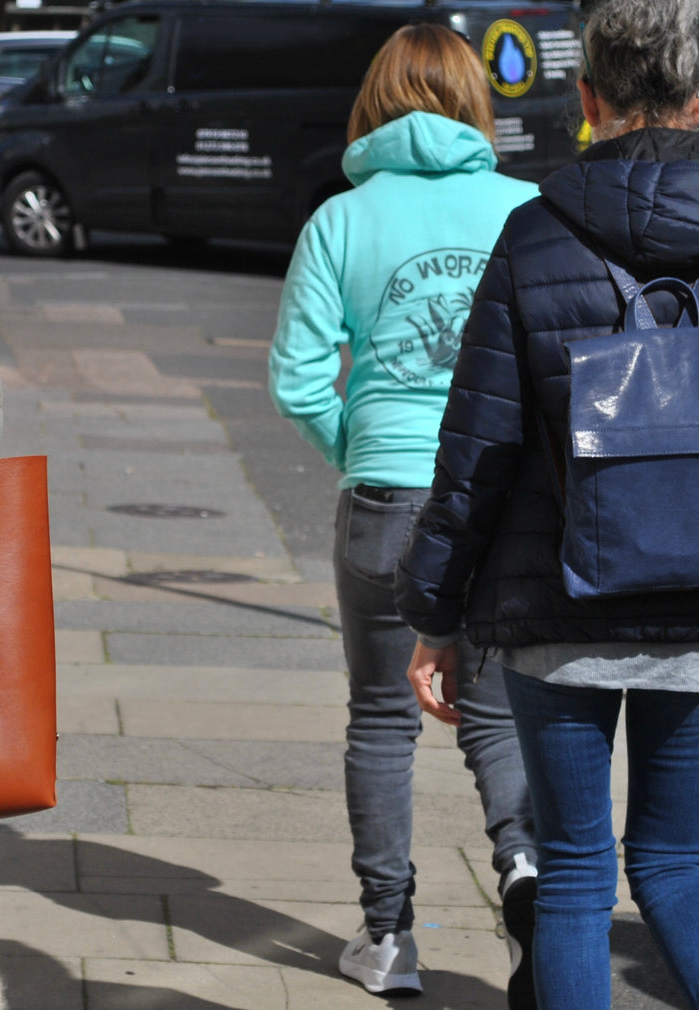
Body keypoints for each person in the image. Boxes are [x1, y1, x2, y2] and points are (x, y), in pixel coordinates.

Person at [396, 2, 699, 1007]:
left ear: (584, 97)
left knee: (571, 869)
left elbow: (475, 450)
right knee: (675, 862)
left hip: (550, 597)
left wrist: (434, 613)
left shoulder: (531, 235)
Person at [268, 24, 539, 1004]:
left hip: (383, 497)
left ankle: (388, 935)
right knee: (501, 709)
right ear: (474, 101)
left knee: (381, 713)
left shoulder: (341, 219)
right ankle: (524, 868)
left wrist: (361, 449)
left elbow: (295, 377)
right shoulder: (524, 209)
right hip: (499, 502)